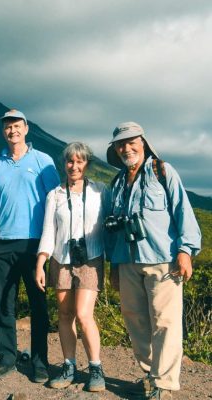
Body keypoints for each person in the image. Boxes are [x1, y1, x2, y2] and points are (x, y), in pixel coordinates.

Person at [106, 122, 201, 400]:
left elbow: (182, 210)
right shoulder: (117, 183)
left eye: (131, 142)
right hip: (126, 261)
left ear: (143, 144)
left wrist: (186, 250)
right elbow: (113, 230)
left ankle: (165, 384)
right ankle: (151, 376)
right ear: (116, 150)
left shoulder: (162, 171)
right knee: (134, 319)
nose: (126, 148)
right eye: (121, 144)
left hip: (164, 259)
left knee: (164, 321)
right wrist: (113, 266)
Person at [0, 109, 60, 381]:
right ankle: (7, 357)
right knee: (4, 304)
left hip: (34, 244)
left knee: (38, 305)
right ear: (3, 132)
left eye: (16, 126)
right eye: (7, 127)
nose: (12, 130)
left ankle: (40, 362)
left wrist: (52, 243)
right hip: (0, 244)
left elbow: (56, 201)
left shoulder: (43, 161)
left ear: (26, 128)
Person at [35, 142, 108, 392]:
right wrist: (41, 262)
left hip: (91, 259)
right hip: (61, 259)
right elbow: (48, 231)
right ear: (63, 163)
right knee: (65, 315)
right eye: (70, 161)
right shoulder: (54, 195)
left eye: (79, 161)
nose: (74, 166)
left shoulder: (99, 191)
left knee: (84, 314)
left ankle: (96, 368)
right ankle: (69, 366)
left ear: (87, 164)